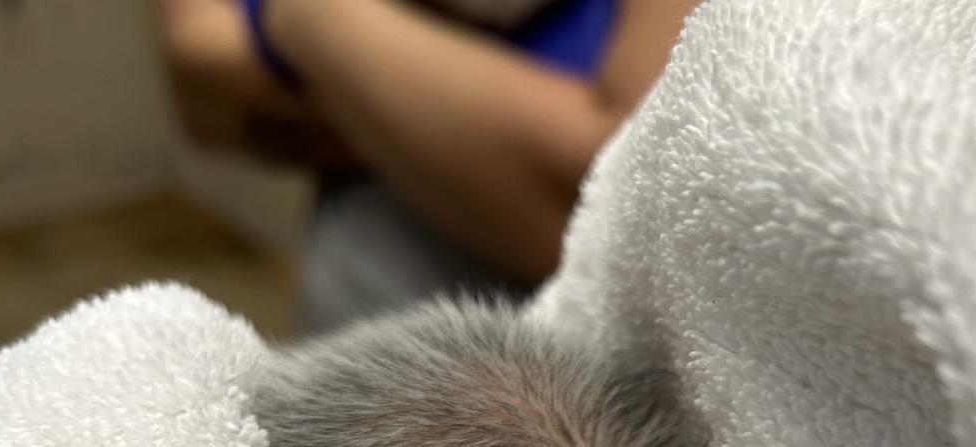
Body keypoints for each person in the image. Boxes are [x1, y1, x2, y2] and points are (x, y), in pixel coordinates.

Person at [157, 0, 696, 331]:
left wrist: (303, 19)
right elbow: (204, 78)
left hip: (610, 368)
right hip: (368, 307)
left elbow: (618, 202)